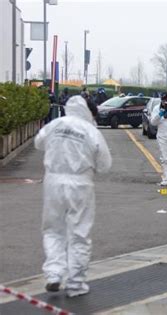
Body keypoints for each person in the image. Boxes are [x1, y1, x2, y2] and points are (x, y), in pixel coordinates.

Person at [34, 95, 112, 297]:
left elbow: (38, 143)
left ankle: (53, 274)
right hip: (80, 183)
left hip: (52, 182)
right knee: (79, 233)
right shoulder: (91, 131)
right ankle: (75, 284)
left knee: (53, 230)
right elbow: (105, 165)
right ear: (88, 111)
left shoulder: (56, 124)